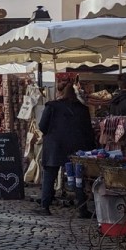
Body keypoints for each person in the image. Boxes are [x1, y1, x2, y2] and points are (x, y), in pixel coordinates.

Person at [37, 82, 95, 215]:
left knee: (50, 176)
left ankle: (45, 206)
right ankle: (82, 208)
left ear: (60, 92)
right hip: (77, 147)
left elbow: (42, 126)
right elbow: (88, 131)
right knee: (77, 177)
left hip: (55, 146)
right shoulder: (82, 109)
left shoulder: (52, 106)